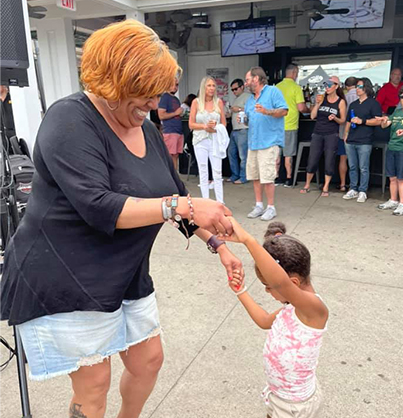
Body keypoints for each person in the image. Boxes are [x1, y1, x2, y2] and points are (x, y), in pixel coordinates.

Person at [0, 20, 243, 418]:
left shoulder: (146, 129)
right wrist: (182, 207)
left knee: (148, 361)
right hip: (67, 272)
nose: (154, 103)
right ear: (114, 80)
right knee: (94, 384)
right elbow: (100, 206)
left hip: (124, 272)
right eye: (145, 93)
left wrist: (217, 245)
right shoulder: (69, 121)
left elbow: (175, 195)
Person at [224, 219, 328, 418]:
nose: (266, 289)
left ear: (293, 283)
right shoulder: (291, 308)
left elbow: (280, 283)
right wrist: (240, 291)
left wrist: (248, 240)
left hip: (295, 406)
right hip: (278, 396)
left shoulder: (315, 310)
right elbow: (264, 321)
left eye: (268, 285)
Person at [243, 67, 288, 221]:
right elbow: (250, 119)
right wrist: (243, 120)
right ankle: (258, 205)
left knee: (267, 176)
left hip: (269, 141)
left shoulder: (273, 92)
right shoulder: (250, 100)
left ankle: (271, 207)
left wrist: (267, 111)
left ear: (256, 79)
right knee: (255, 176)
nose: (246, 83)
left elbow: (284, 111)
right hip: (253, 142)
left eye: (248, 80)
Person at [300, 76, 347, 196]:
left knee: (329, 160)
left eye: (330, 84)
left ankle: (326, 186)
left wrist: (335, 118)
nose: (327, 87)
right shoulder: (322, 98)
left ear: (336, 86)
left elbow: (343, 120)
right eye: (326, 84)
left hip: (332, 133)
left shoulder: (340, 102)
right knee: (312, 158)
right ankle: (307, 184)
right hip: (318, 132)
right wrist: (317, 104)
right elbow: (312, 116)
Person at [376, 84, 403, 216]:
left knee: (402, 177)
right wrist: (383, 120)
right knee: (392, 177)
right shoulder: (397, 112)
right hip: (392, 146)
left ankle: (402, 203)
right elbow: (386, 125)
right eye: (402, 96)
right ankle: (393, 200)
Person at [343, 78, 382, 203]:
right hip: (351, 139)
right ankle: (353, 188)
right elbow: (349, 120)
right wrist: (346, 134)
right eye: (357, 87)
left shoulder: (373, 103)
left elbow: (378, 120)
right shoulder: (353, 104)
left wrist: (363, 121)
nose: (357, 89)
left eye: (359, 86)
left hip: (365, 140)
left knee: (363, 167)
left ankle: (362, 190)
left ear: (366, 88)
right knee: (352, 166)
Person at [189, 76, 227, 203]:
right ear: (203, 87)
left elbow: (224, 123)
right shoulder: (196, 102)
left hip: (215, 139)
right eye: (209, 85)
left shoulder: (219, 102)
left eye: (213, 86)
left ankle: (220, 202)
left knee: (217, 171)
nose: (211, 88)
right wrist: (204, 127)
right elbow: (191, 124)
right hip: (200, 140)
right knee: (203, 170)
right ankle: (206, 201)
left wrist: (216, 128)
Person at [276, 63, 310, 187]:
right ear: (294, 73)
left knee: (277, 154)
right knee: (288, 154)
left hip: (277, 125)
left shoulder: (277, 87)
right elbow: (301, 108)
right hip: (290, 125)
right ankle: (289, 179)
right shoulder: (296, 88)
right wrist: (309, 110)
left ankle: (277, 177)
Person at [227, 78, 251, 184]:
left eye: (236, 89)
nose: (234, 91)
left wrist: (239, 109)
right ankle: (235, 174)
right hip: (235, 129)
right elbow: (234, 112)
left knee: (243, 155)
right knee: (231, 153)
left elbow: (252, 110)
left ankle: (243, 176)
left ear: (242, 87)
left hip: (244, 129)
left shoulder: (248, 97)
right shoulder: (236, 99)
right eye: (232, 90)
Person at [337, 77, 358, 192]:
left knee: (343, 158)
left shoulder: (343, 97)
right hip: (357, 132)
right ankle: (355, 185)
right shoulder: (361, 97)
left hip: (343, 130)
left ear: (346, 86)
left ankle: (343, 184)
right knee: (357, 160)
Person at [158, 78, 184, 170]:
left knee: (176, 155)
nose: (175, 87)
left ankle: (175, 178)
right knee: (170, 155)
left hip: (178, 131)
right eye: (172, 84)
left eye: (177, 85)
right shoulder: (165, 97)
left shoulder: (176, 99)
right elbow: (161, 115)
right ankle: (170, 179)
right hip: (170, 131)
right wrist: (175, 113)